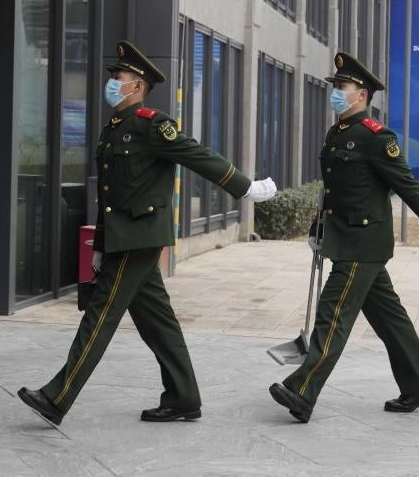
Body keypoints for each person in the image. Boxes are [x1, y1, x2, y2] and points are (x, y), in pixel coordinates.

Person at [18, 40, 277, 426]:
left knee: (101, 315)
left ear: (137, 86)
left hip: (139, 236)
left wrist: (245, 189)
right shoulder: (114, 129)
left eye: (118, 78)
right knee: (158, 321)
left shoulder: (153, 125)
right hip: (123, 236)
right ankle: (183, 398)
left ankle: (57, 396)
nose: (112, 83)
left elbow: (199, 156)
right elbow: (110, 197)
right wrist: (101, 245)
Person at [269, 52, 419, 423]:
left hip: (363, 242)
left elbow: (406, 184)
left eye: (342, 87)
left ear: (362, 95)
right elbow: (333, 191)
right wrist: (317, 229)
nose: (336, 93)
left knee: (333, 313)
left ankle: (302, 390)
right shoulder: (337, 132)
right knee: (390, 318)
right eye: (335, 86)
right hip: (345, 237)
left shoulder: (377, 137)